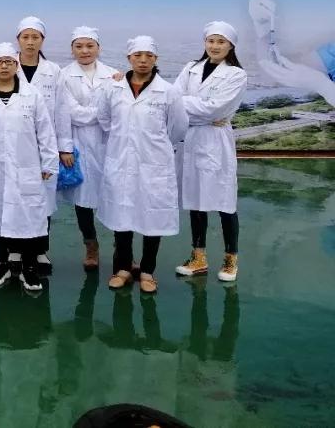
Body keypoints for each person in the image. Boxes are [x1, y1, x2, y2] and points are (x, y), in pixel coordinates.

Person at [97, 36, 189, 294]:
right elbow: (104, 118)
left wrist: (152, 145)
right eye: (137, 55)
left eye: (149, 55)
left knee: (152, 217)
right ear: (129, 58)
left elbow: (178, 127)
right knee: (122, 216)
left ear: (155, 59)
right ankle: (123, 269)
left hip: (154, 164)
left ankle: (148, 271)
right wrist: (125, 139)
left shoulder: (168, 91)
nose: (143, 60)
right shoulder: (112, 88)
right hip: (121, 160)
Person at [173, 22, 248, 283]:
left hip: (216, 142)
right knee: (195, 200)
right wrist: (201, 110)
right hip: (191, 139)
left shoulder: (236, 75)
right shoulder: (191, 68)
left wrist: (194, 108)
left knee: (225, 202)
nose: (215, 46)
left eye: (221, 42)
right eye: (211, 41)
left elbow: (217, 109)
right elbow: (173, 101)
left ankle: (231, 259)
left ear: (230, 46)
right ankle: (198, 258)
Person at [0, 43, 58, 294]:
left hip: (28, 167)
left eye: (9, 62)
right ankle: (0, 265)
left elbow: (45, 131)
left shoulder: (31, 94)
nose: (4, 66)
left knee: (29, 218)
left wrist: (49, 161)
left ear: (16, 65)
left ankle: (29, 267)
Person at [56, 26, 118, 271]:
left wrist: (95, 114)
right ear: (72, 49)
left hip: (109, 142)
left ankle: (122, 250)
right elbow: (70, 113)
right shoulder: (63, 76)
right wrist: (102, 114)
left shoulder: (113, 75)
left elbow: (119, 109)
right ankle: (91, 246)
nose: (84, 51)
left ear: (98, 48)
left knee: (115, 195)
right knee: (83, 200)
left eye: (89, 46)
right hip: (79, 141)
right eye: (79, 46)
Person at [14, 16, 66, 275]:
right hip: (13, 145)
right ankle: (14, 249)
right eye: (25, 37)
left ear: (42, 40)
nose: (30, 42)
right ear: (18, 40)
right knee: (14, 195)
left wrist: (64, 147)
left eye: (35, 37)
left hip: (46, 145)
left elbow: (62, 111)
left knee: (43, 199)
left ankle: (40, 250)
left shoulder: (54, 71)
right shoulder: (7, 65)